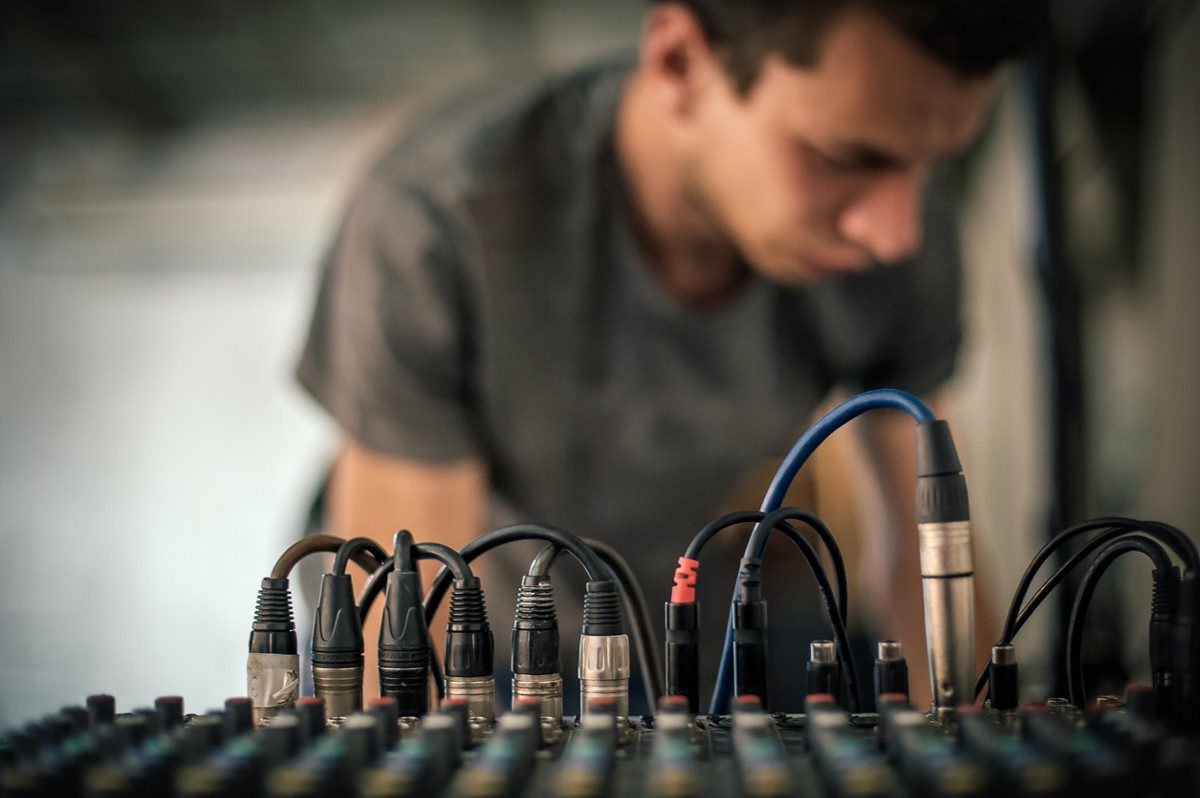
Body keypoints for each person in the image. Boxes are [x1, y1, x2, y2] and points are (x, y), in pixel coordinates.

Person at [296, 0, 1046, 711]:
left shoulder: (901, 230)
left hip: (668, 640)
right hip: (479, 651)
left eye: (932, 164)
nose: (895, 233)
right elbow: (401, 653)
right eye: (844, 156)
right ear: (681, 63)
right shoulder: (438, 217)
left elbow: (928, 559)